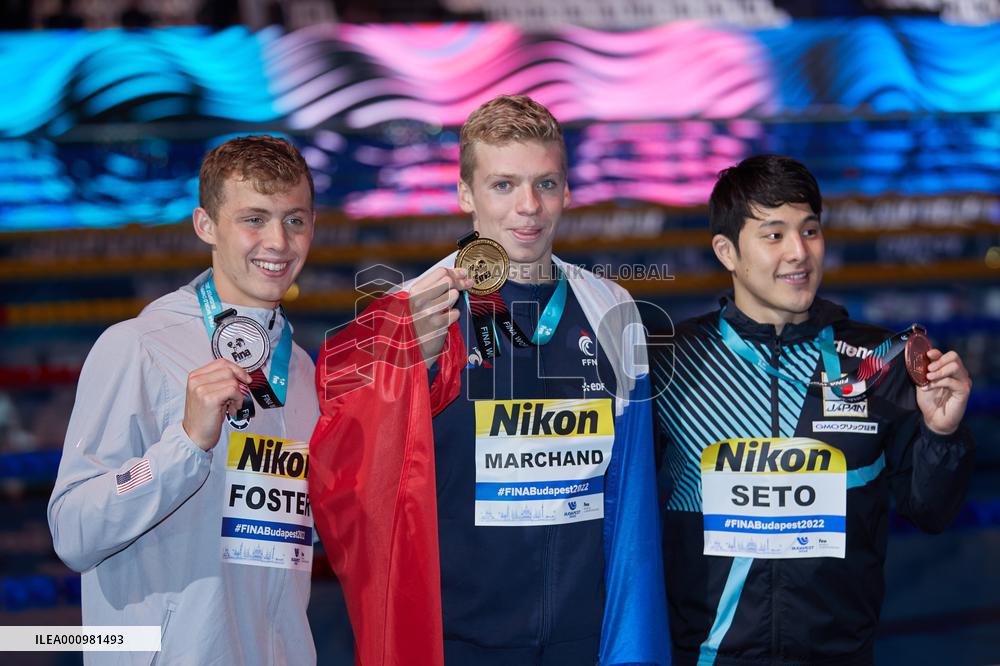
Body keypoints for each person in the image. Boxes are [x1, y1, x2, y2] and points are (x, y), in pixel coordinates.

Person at [310, 95, 670, 665]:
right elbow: (346, 481)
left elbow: (632, 499)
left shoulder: (613, 309)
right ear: (465, 194)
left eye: (545, 184)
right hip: (455, 641)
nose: (529, 207)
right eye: (503, 185)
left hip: (583, 639)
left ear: (567, 190)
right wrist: (401, 373)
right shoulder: (410, 312)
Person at [651, 154, 974, 665]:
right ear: (727, 251)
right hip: (708, 656)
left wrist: (942, 434)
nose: (799, 253)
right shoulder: (674, 362)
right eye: (774, 235)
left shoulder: (877, 362)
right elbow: (621, 511)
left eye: (810, 230)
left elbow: (931, 512)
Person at [48, 135, 319, 665]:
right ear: (205, 225)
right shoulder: (137, 347)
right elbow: (73, 529)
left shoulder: (301, 370)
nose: (279, 242)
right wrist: (185, 445)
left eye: (295, 220)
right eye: (254, 219)